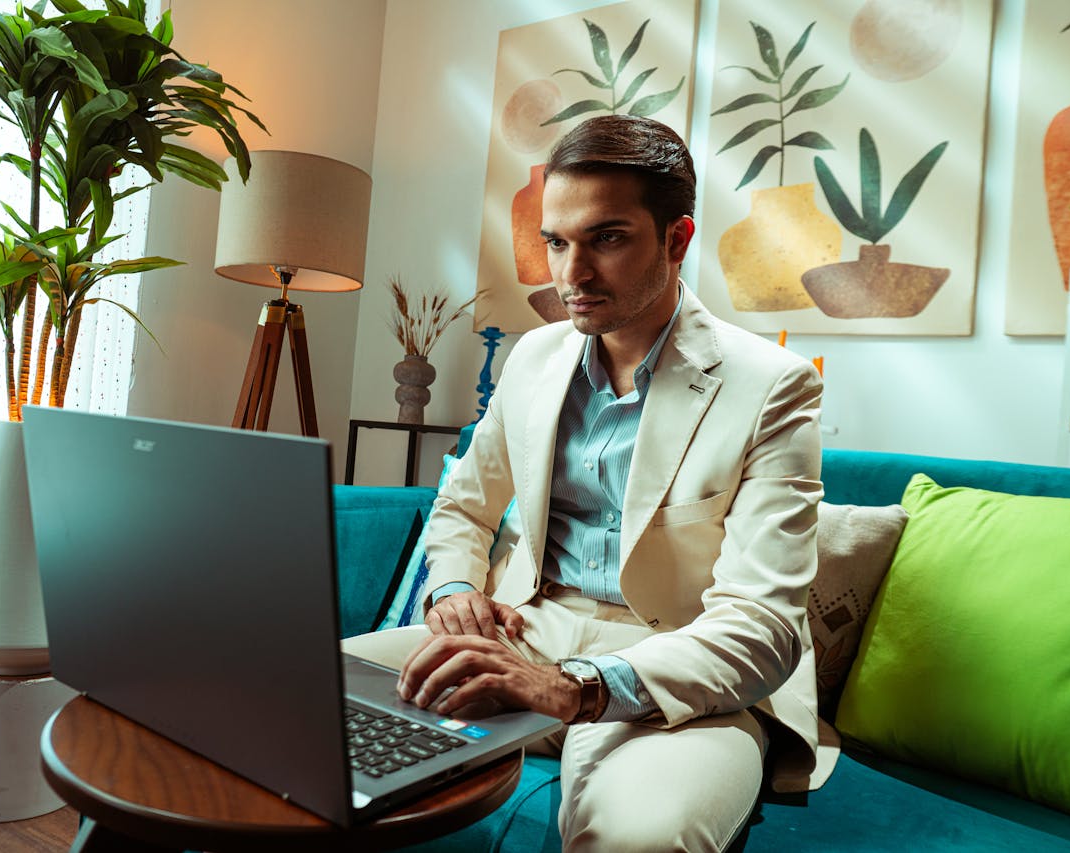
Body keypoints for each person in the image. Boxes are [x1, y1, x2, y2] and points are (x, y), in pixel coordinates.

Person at [348, 114, 825, 852]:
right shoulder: (534, 358)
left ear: (676, 239)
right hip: (522, 631)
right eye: (557, 241)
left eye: (606, 238)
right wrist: (453, 592)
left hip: (680, 671)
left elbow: (761, 626)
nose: (571, 274)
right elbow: (464, 506)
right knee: (298, 701)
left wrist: (575, 688)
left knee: (640, 838)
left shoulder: (772, 385)